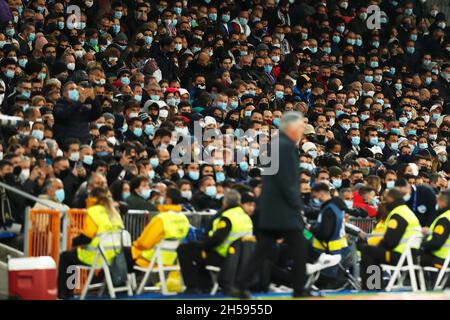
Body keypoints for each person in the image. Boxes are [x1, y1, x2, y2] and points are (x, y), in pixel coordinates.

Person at [232, 111, 310, 298]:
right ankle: (299, 290)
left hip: (273, 209)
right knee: (300, 248)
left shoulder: (278, 144)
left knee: (262, 250)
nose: (301, 132)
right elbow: (286, 180)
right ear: (291, 128)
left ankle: (240, 285)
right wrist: (296, 204)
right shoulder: (285, 146)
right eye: (300, 128)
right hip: (283, 210)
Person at [177, 189, 253, 294]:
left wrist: (201, 244)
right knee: (199, 252)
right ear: (239, 203)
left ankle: (192, 287)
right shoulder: (245, 217)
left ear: (224, 202)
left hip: (223, 257)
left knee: (184, 249)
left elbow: (216, 240)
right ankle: (206, 286)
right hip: (241, 258)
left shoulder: (227, 217)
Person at [57, 187, 124, 299]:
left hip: (97, 255)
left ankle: (65, 292)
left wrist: (73, 242)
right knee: (72, 254)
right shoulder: (114, 212)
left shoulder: (93, 211)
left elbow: (87, 237)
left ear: (92, 198)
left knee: (66, 257)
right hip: (115, 256)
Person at [359, 188, 422, 290]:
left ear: (391, 198)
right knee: (374, 251)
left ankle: (371, 287)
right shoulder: (406, 211)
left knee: (368, 250)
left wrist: (377, 248)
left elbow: (390, 241)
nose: (383, 201)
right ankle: (375, 284)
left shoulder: (397, 214)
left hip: (401, 256)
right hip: (411, 255)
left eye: (385, 199)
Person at [126, 188, 189, 269]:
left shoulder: (161, 219)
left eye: (163, 196)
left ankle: (124, 281)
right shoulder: (184, 218)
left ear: (168, 200)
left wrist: (134, 245)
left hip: (150, 260)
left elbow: (144, 243)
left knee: (124, 253)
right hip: (172, 260)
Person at [420, 190, 450, 268]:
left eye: (438, 201)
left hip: (441, 258)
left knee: (412, 257)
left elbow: (436, 242)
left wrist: (421, 245)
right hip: (446, 259)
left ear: (443, 203)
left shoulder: (444, 219)